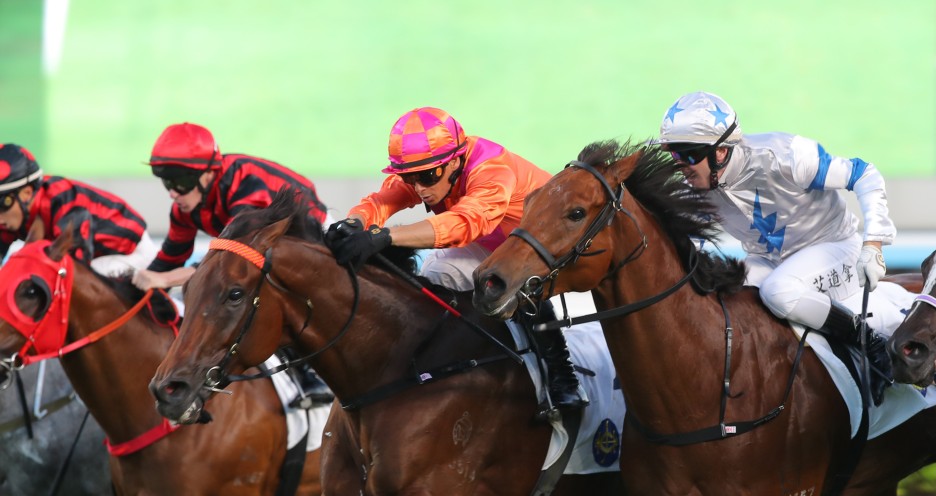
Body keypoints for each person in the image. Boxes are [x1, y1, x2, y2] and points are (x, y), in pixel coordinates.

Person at [325, 106, 586, 419]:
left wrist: (384, 237)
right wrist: (355, 223)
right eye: (410, 177)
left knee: (509, 281)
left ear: (456, 160)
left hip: (551, 252)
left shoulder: (492, 170)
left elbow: (465, 223)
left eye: (427, 177)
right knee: (438, 273)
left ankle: (562, 376)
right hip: (499, 245)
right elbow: (380, 202)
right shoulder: (430, 167)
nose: (419, 188)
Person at [656, 91, 896, 402]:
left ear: (719, 153)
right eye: (673, 156)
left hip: (834, 245)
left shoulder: (786, 155)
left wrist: (874, 243)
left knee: (778, 292)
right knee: (722, 303)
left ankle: (870, 343)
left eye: (687, 155)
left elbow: (864, 173)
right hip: (769, 259)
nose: (681, 167)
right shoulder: (698, 188)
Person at [140, 122, 332, 406]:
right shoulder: (186, 207)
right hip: (259, 248)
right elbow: (170, 255)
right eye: (167, 183)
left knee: (251, 295)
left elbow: (228, 270)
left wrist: (166, 281)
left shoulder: (244, 187)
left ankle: (310, 375)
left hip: (313, 235)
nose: (173, 193)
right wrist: (143, 284)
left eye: (180, 182)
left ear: (208, 174)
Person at [0, 143, 155, 273]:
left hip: (130, 254)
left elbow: (74, 270)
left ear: (26, 193)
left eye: (1, 204)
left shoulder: (62, 199)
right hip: (93, 258)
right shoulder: (11, 215)